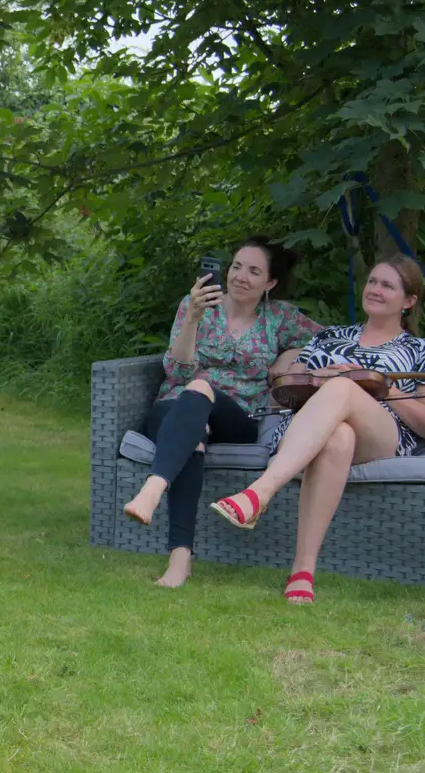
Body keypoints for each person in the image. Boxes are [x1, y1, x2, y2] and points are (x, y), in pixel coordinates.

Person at [208, 255, 425, 603]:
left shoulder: (421, 350)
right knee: (338, 437)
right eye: (372, 281)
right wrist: (311, 380)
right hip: (313, 432)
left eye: (388, 285)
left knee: (343, 388)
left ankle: (261, 492)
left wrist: (375, 384)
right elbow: (280, 399)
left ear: (409, 301)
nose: (376, 290)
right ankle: (302, 572)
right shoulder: (330, 338)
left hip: (381, 436)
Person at [122, 236, 323, 587]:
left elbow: (327, 340)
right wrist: (193, 320)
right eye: (237, 266)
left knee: (201, 388)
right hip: (176, 407)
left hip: (238, 416)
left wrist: (290, 358)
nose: (241, 276)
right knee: (193, 430)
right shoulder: (196, 305)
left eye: (254, 271)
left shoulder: (278, 317)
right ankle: (180, 561)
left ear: (270, 283)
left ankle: (153, 488)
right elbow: (178, 371)